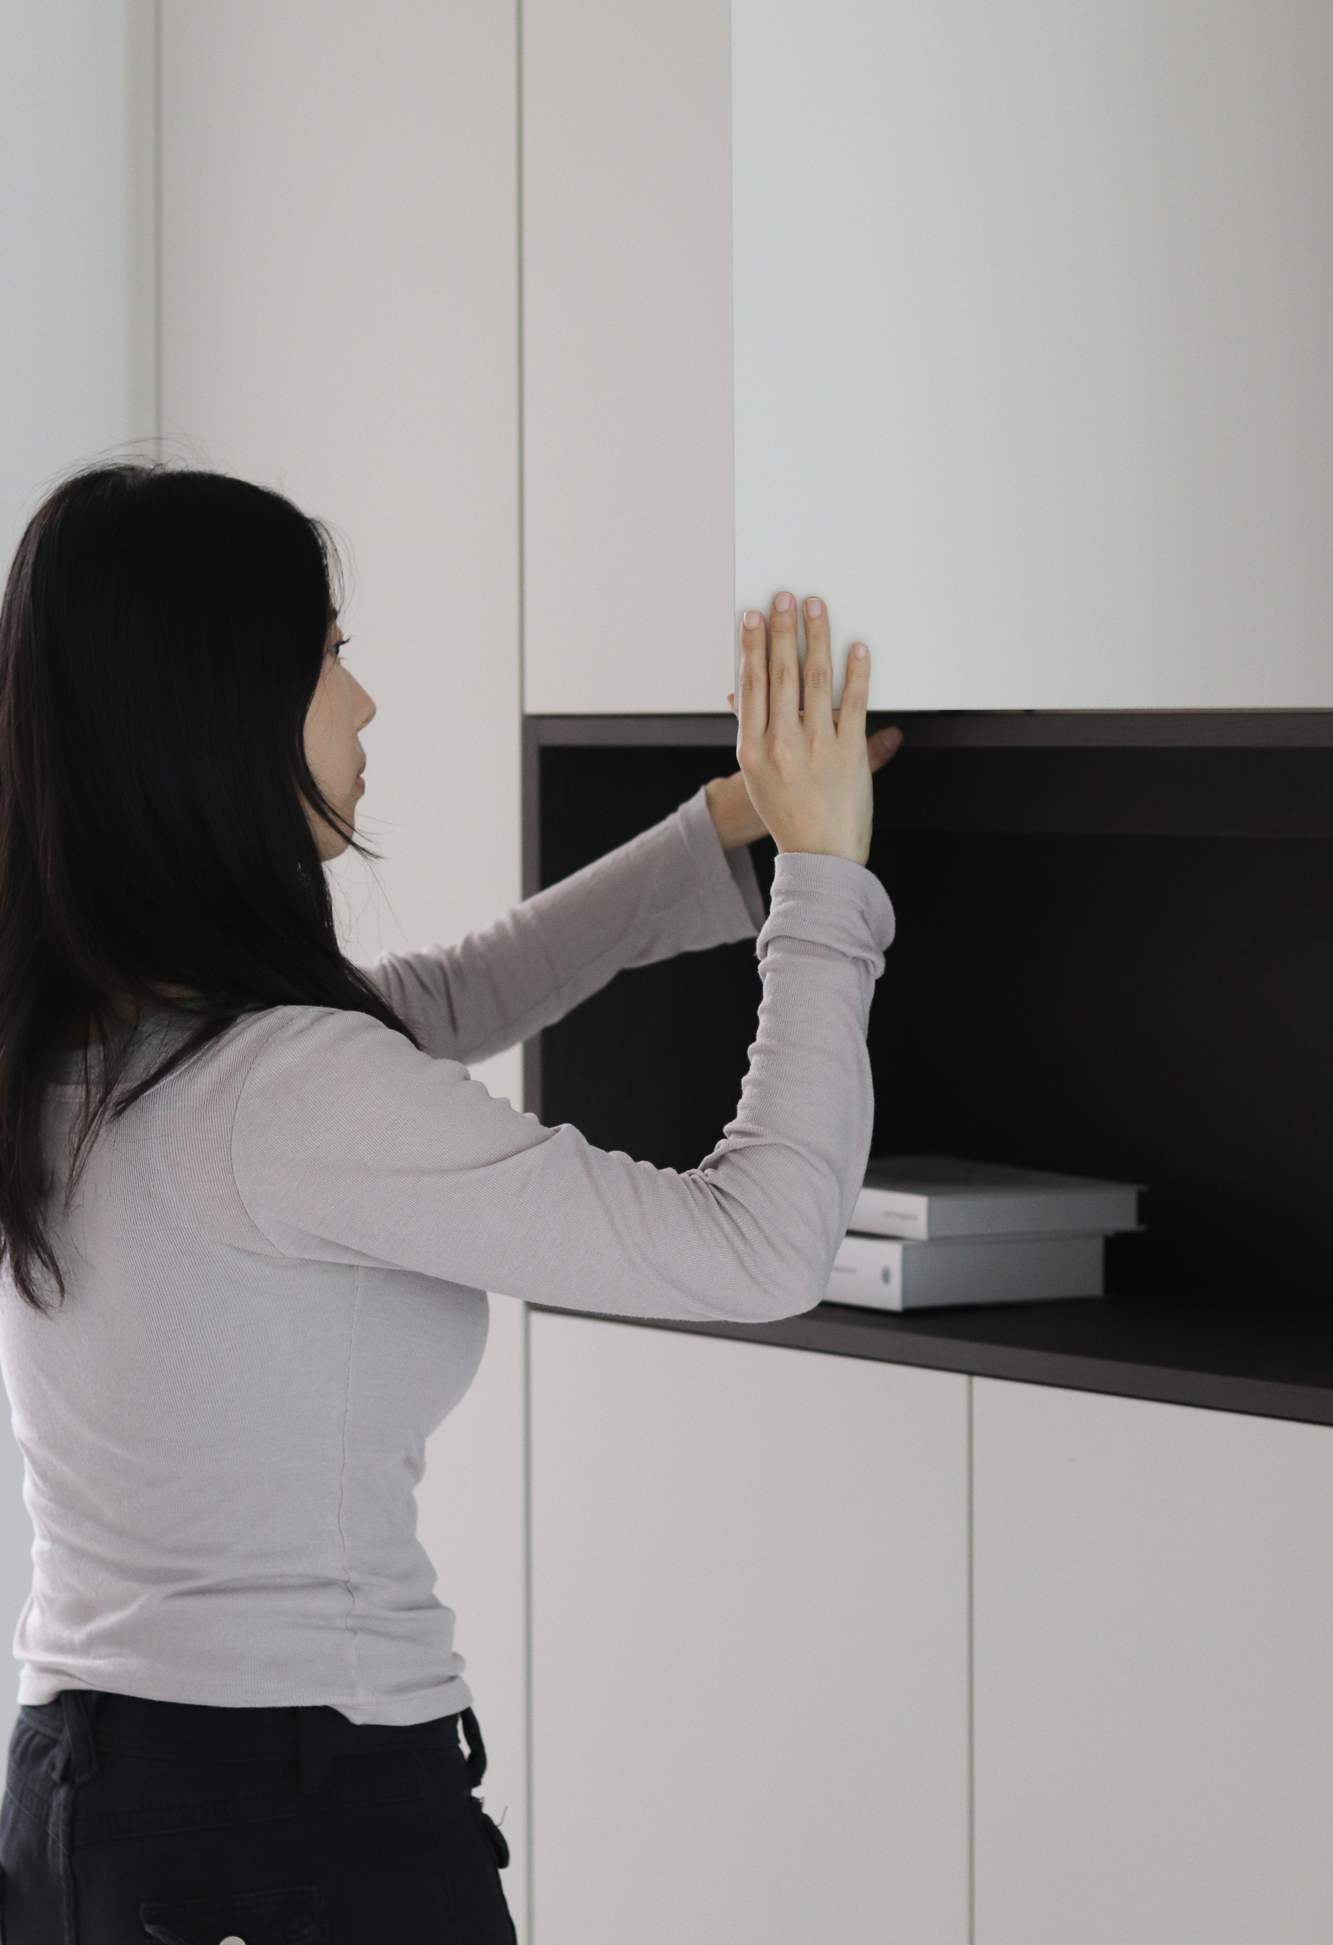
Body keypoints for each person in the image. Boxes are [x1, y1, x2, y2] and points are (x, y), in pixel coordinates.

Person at [0, 465, 899, 1942]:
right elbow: (759, 1247)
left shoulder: (82, 1040)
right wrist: (824, 880)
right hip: (286, 1821)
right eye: (329, 657)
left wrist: (729, 822)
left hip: (86, 1803)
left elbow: (452, 995)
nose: (363, 705)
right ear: (219, 710)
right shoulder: (285, 1091)